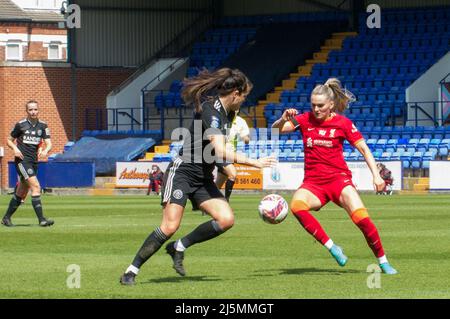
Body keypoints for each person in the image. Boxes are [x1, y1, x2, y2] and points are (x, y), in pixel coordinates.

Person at [120, 68, 276, 285]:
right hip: (182, 172)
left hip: (202, 177)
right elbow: (220, 150)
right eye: (244, 97)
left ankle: (178, 246)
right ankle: (131, 271)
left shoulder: (228, 113)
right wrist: (254, 162)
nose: (244, 102)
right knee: (169, 226)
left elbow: (212, 151)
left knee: (226, 219)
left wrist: (223, 167)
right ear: (236, 93)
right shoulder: (212, 111)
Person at [272, 78, 397, 275]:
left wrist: (377, 176)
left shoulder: (343, 123)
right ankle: (333, 247)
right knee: (297, 206)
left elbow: (364, 149)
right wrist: (282, 117)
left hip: (339, 180)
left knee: (362, 220)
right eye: (313, 105)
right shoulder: (304, 119)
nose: (316, 109)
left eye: (320, 105)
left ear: (331, 104)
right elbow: (275, 129)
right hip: (313, 183)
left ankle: (383, 261)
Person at [1, 100, 54, 227]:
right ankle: (41, 219)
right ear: (27, 111)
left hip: (33, 161)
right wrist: (15, 149)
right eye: (30, 110)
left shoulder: (43, 126)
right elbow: (9, 140)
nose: (33, 112)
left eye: (35, 109)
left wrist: (45, 150)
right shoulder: (21, 125)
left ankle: (6, 218)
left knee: (21, 191)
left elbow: (49, 143)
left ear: (38, 110)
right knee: (36, 186)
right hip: (22, 161)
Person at [215, 111, 251, 201]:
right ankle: (226, 201)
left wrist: (245, 138)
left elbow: (246, 139)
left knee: (217, 185)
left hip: (230, 156)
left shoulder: (240, 121)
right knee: (232, 174)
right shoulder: (220, 118)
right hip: (219, 153)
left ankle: (206, 201)